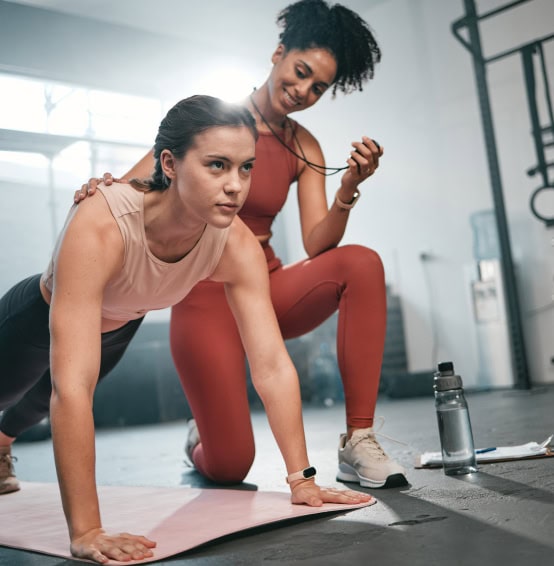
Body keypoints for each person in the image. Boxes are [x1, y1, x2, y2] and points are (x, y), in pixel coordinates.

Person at [0, 95, 372, 564]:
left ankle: (1, 445)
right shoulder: (103, 222)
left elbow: (272, 366)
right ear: (170, 164)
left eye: (245, 168)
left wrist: (302, 479)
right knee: (34, 390)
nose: (236, 186)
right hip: (34, 318)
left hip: (117, 326)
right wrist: (87, 530)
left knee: (32, 406)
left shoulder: (234, 242)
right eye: (217, 165)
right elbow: (73, 390)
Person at [79, 0, 407, 489]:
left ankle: (358, 441)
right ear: (278, 53)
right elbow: (138, 188)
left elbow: (319, 245)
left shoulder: (305, 146)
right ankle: (199, 437)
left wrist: (347, 189)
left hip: (266, 286)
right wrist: (98, 192)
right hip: (203, 294)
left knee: (361, 263)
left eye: (318, 87)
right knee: (230, 466)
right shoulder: (214, 120)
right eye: (300, 72)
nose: (303, 91)